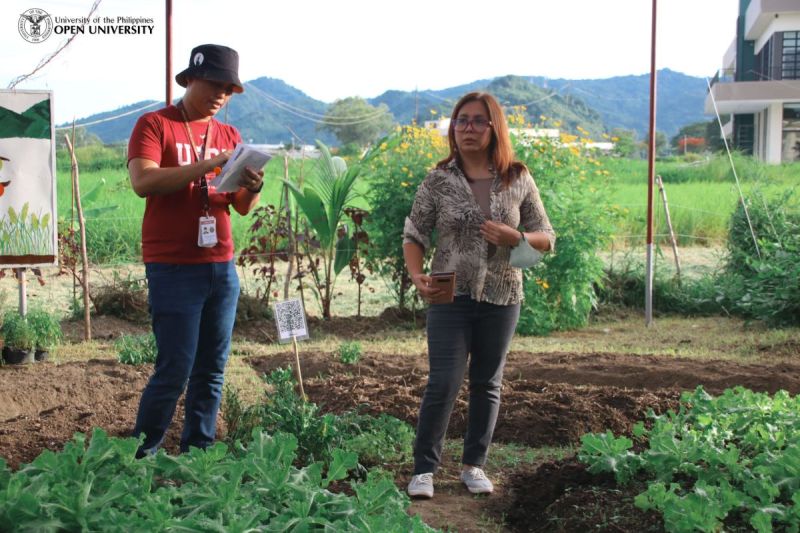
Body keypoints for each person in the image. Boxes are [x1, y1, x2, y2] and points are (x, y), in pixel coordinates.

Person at [403, 92, 555, 498]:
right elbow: (414, 232)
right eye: (461, 121)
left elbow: (546, 237)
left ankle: (474, 466)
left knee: (487, 381)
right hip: (448, 294)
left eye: (477, 121)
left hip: (503, 294)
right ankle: (424, 470)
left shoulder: (517, 177)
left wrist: (516, 236)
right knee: (444, 381)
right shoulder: (438, 180)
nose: (467, 128)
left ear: (494, 128)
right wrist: (416, 274)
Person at [127, 43, 264, 457]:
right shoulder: (155, 124)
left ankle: (198, 456)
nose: (221, 94)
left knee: (212, 369)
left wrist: (253, 189)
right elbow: (143, 183)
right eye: (214, 84)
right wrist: (207, 165)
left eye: (229, 88)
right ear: (190, 78)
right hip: (172, 266)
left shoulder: (230, 135)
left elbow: (238, 206)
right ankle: (141, 456)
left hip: (221, 265)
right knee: (175, 368)